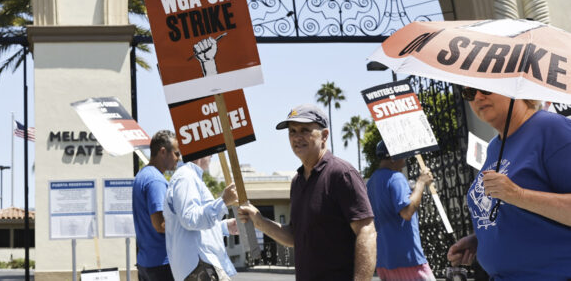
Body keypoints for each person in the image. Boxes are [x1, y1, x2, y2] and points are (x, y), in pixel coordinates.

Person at [238, 104, 375, 281]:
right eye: (292, 131)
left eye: (304, 130)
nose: (297, 137)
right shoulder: (297, 181)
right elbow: (294, 236)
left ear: (324, 135)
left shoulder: (341, 174)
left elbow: (367, 232)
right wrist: (259, 221)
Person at [447, 88, 571, 278]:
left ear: (514, 87)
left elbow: (516, 197)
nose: (478, 97)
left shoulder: (551, 128)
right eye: (469, 93)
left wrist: (518, 195)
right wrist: (480, 238)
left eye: (487, 89)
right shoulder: (494, 146)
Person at [365, 141, 434, 281]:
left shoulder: (371, 182)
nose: (404, 162)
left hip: (384, 261)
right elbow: (407, 212)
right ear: (392, 157)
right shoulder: (396, 178)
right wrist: (421, 183)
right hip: (407, 259)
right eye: (402, 156)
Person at [164, 154, 239, 281]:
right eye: (210, 153)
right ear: (200, 154)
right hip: (200, 265)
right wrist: (223, 201)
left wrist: (224, 227)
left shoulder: (190, 177)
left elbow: (194, 226)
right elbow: (190, 219)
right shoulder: (186, 177)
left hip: (200, 265)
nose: (212, 156)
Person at [133, 130, 181, 281]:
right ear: (162, 152)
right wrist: (188, 224)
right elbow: (160, 225)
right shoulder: (156, 181)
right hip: (161, 264)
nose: (179, 159)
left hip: (147, 262)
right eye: (176, 153)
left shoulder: (142, 175)